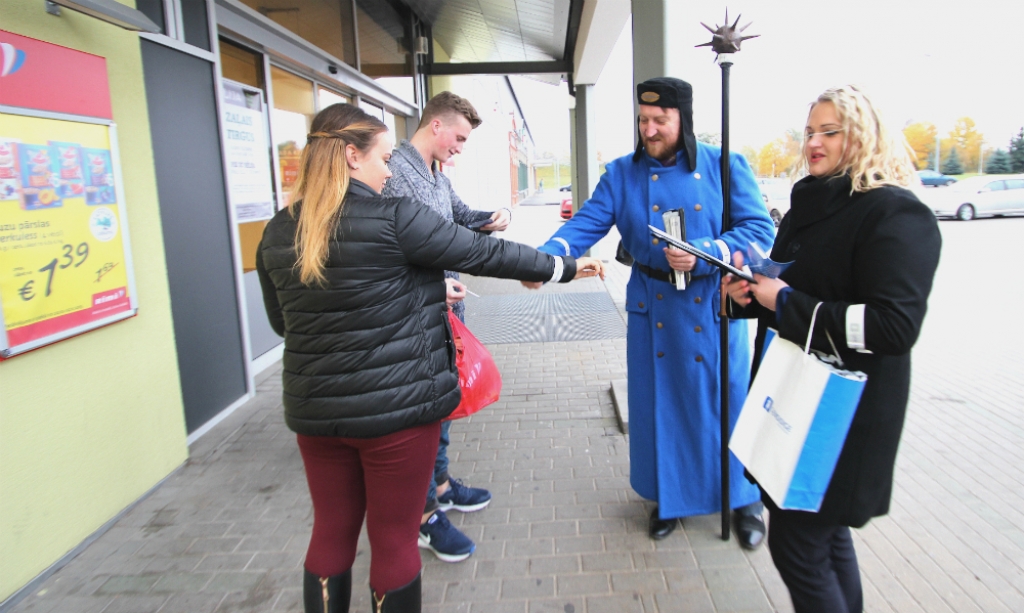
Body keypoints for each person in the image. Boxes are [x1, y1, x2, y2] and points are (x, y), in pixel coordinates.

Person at [255, 103, 604, 613]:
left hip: (316, 415)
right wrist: (563, 269)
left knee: (330, 534)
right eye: (380, 157)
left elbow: (285, 324)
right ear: (351, 156)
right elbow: (485, 254)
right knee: (394, 539)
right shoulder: (394, 217)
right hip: (398, 415)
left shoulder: (277, 230)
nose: (389, 168)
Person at [528, 77, 776, 548]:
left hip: (712, 307)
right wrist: (545, 261)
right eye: (643, 120)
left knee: (727, 405)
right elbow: (585, 224)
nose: (650, 129)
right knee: (660, 407)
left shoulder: (725, 166)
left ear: (683, 119)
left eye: (660, 120)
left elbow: (758, 230)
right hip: (653, 307)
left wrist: (708, 251)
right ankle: (672, 498)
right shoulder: (622, 172)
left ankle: (744, 501)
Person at [726, 85, 941, 613]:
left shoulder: (894, 213)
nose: (814, 143)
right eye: (808, 132)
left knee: (798, 545)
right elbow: (785, 288)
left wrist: (788, 301)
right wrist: (747, 297)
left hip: (845, 413)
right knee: (824, 537)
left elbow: (894, 327)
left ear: (862, 135)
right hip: (796, 399)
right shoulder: (807, 204)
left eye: (829, 131)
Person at [381, 91, 511, 563]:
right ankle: (423, 516)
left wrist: (495, 219)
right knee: (420, 417)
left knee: (442, 404)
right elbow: (395, 252)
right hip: (414, 317)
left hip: (445, 314)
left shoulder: (434, 172)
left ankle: (440, 485)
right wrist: (435, 286)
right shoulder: (393, 172)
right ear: (436, 125)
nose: (459, 148)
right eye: (458, 137)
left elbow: (459, 217)